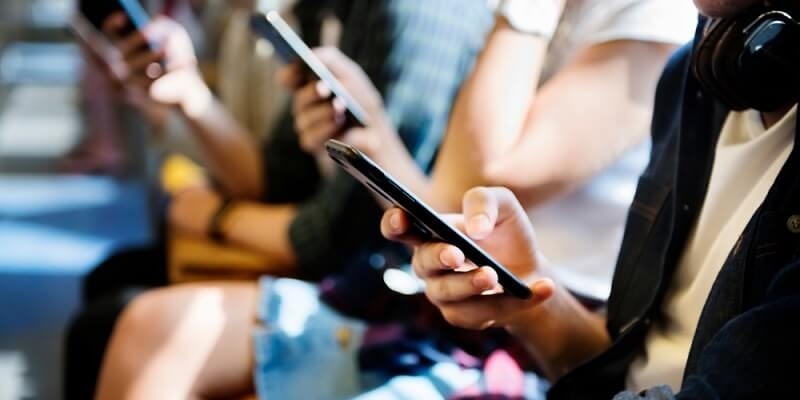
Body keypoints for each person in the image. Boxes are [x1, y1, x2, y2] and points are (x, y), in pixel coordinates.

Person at [94, 1, 699, 399]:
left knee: (129, 306)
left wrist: (524, 9)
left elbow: (487, 177)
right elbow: (446, 198)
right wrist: (371, 133)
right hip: (451, 294)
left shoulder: (643, 13)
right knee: (143, 327)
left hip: (553, 325)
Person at [382, 0, 800, 397]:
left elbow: (479, 174)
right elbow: (623, 366)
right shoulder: (697, 74)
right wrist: (527, 293)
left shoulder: (653, 23)